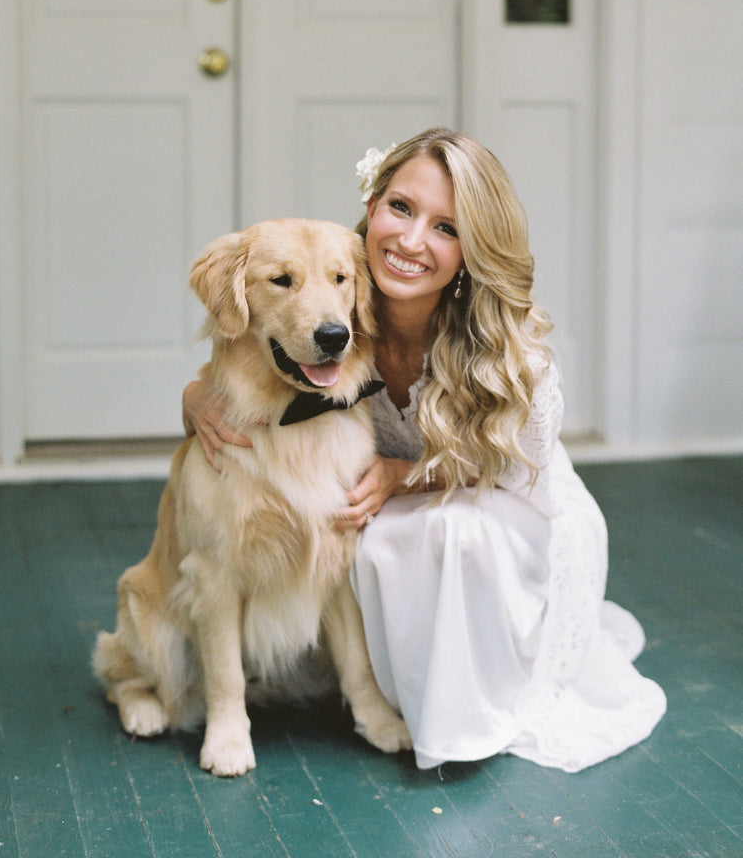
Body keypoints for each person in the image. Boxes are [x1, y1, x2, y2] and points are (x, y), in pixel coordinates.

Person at [183, 127, 666, 772]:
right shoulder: (339, 292)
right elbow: (252, 352)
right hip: (395, 503)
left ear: (474, 250)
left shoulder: (508, 348)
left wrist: (405, 475)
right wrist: (195, 395)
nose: (411, 242)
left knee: (441, 535)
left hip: (505, 504)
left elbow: (515, 467)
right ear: (372, 208)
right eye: (402, 209)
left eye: (446, 227)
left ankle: (460, 711)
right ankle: (393, 691)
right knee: (368, 539)